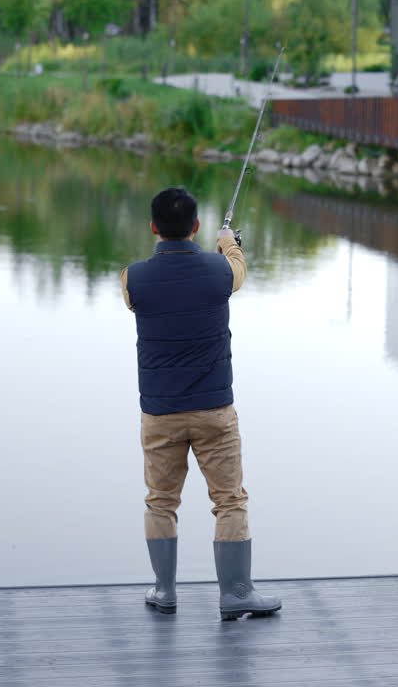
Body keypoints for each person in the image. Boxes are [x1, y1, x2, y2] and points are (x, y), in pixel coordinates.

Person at [120, 187, 281, 621]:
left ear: (153, 228)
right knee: (229, 500)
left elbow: (140, 301)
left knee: (160, 501)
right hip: (214, 411)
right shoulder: (219, 271)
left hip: (160, 412)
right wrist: (228, 242)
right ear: (195, 226)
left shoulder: (133, 278)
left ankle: (164, 590)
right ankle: (236, 593)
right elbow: (238, 270)